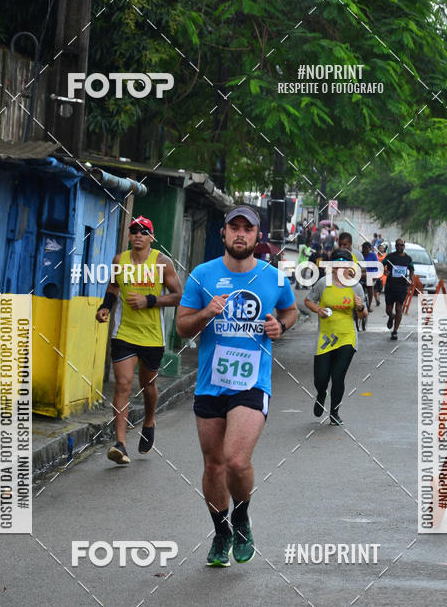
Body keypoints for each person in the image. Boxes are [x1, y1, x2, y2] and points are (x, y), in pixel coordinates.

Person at [176, 206, 298, 567]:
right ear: (224, 234)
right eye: (234, 228)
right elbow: (183, 327)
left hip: (251, 382)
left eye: (248, 229)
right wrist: (205, 314)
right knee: (214, 466)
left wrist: (282, 326)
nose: (240, 234)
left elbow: (290, 311)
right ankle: (220, 531)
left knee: (236, 460)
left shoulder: (274, 278)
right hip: (211, 384)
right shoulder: (202, 275)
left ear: (257, 236)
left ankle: (241, 518)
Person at [96, 216, 183, 464]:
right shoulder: (119, 260)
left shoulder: (162, 263)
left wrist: (150, 301)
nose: (138, 235)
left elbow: (178, 295)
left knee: (148, 386)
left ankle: (148, 420)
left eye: (144, 232)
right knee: (123, 384)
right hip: (124, 333)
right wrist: (105, 307)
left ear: (151, 237)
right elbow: (113, 287)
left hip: (152, 336)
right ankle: (120, 444)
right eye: (134, 230)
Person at [304, 248, 367, 425]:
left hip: (347, 336)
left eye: (344, 264)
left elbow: (363, 315)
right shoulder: (324, 283)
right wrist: (318, 310)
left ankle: (334, 412)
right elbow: (308, 300)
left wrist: (361, 307)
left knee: (338, 376)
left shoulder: (356, 286)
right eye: (336, 264)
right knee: (321, 378)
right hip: (325, 337)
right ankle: (321, 394)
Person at [383, 238, 414, 341]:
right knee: (388, 310)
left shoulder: (408, 258)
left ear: (404, 246)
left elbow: (411, 268)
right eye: (397, 245)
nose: (399, 247)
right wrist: (384, 271)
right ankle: (391, 316)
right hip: (390, 286)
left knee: (399, 308)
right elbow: (382, 264)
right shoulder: (390, 256)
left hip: (402, 287)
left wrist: (411, 278)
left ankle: (395, 331)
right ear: (395, 246)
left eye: (401, 245)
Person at [361, 240, 380, 314]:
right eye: (363, 248)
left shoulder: (373, 255)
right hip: (361, 275)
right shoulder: (360, 255)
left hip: (370, 275)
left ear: (369, 249)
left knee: (370, 287)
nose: (364, 250)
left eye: (366, 248)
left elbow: (376, 267)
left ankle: (369, 306)